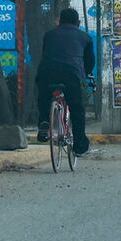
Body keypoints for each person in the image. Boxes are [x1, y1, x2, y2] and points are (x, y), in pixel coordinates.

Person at [35, 8, 94, 155]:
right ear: (78, 23)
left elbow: (46, 55)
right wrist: (84, 74)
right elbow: (90, 62)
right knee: (77, 109)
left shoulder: (49, 35)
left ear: (59, 21)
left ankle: (44, 122)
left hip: (47, 73)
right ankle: (80, 145)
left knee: (44, 96)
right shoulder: (85, 37)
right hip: (71, 74)